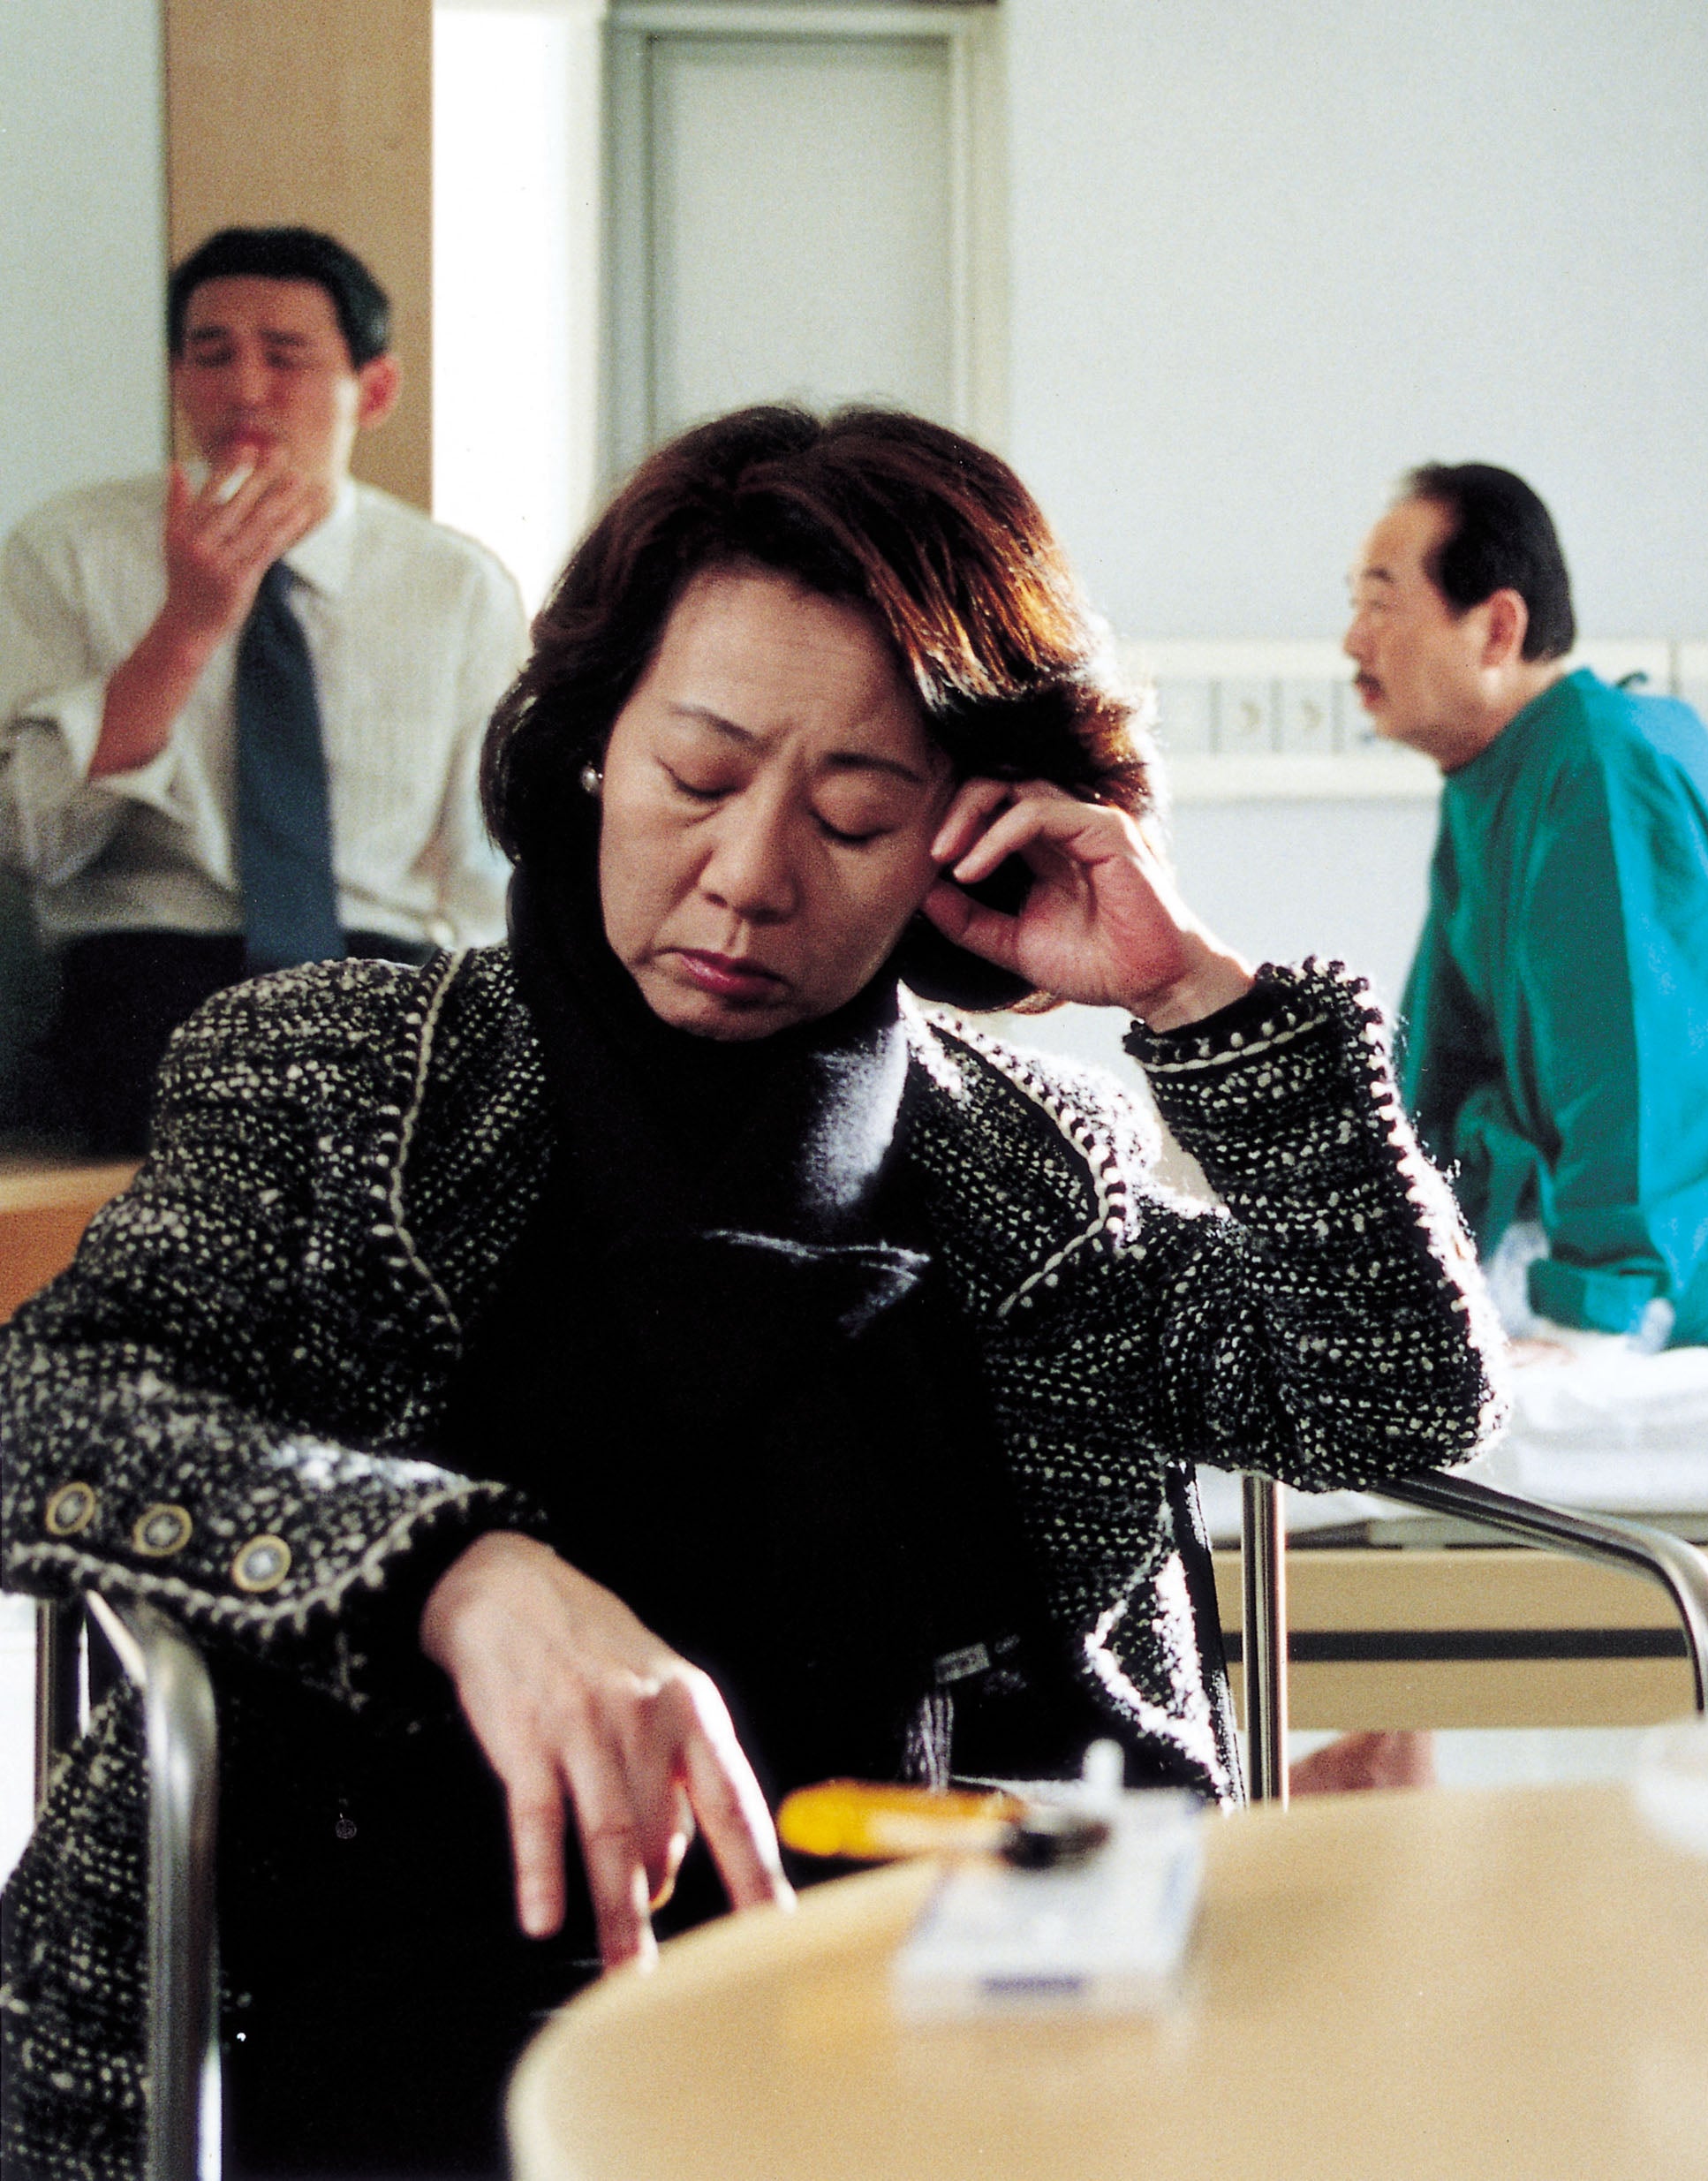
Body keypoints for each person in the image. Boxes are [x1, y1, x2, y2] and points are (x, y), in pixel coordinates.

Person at [0, 405, 1506, 2178]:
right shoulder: (332, 1079)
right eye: (698, 778)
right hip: (398, 2009)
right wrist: (449, 1570)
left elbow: (1391, 1387)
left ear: (967, 833)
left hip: (948, 2024)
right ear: (591, 744)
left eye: (856, 814)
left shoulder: (1026, 1157)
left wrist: (1188, 995)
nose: (748, 876)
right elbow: (51, 1405)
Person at [0, 225, 525, 1155]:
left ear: (374, 390)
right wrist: (186, 627)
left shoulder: (457, 585)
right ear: (177, 377)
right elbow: (32, 842)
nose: (245, 389)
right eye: (211, 355)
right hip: (154, 963)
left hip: (380, 965)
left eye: (285, 356)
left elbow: (486, 865)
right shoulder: (67, 551)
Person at [1349, 462, 1708, 1352]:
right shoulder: (1495, 779)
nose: (1352, 641)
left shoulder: (1601, 769)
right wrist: (1387, 1252)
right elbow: (1439, 1064)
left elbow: (1647, 1065)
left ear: (1498, 627)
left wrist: (1595, 1312)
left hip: (1704, 1276)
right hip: (1620, 1245)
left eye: (1381, 604)